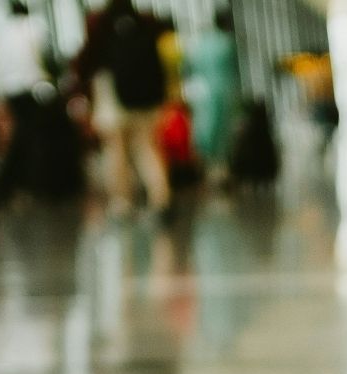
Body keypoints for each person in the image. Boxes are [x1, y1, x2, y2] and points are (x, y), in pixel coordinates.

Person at [78, 0, 173, 217]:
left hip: (111, 94)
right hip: (145, 97)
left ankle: (122, 202)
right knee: (148, 147)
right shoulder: (145, 23)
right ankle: (161, 197)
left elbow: (86, 62)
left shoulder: (99, 24)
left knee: (115, 150)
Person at [0, 0, 52, 203]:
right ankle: (31, 181)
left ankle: (17, 180)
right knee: (30, 137)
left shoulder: (2, 34)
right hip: (29, 89)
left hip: (11, 90)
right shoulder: (32, 27)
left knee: (22, 134)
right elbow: (39, 57)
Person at [183, 11, 242, 186]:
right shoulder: (227, 43)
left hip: (203, 93)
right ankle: (222, 169)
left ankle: (208, 167)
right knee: (223, 131)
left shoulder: (198, 45)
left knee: (205, 128)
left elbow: (189, 69)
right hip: (225, 90)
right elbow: (234, 69)